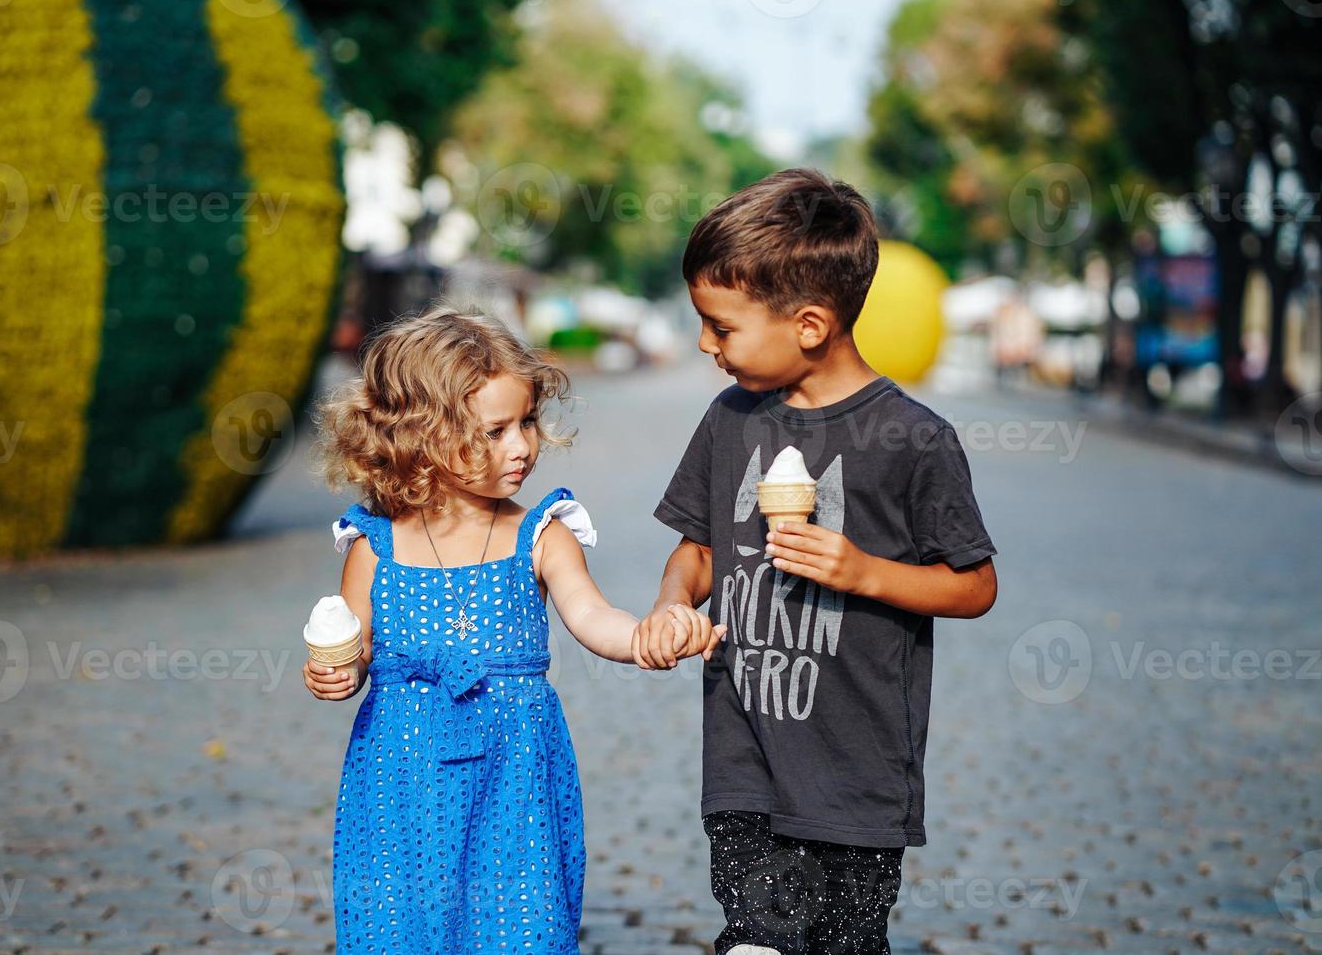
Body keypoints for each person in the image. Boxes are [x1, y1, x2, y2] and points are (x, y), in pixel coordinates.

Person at [636, 169, 1000, 955]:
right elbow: (696, 546)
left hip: (858, 777)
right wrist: (674, 601)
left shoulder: (914, 440)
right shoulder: (731, 419)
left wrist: (863, 571)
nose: (705, 344)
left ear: (808, 324)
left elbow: (974, 586)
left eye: (719, 327)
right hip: (746, 762)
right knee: (758, 939)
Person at [304, 307, 725, 954]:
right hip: (398, 773)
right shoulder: (373, 543)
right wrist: (337, 670)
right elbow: (354, 645)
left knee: (518, 922)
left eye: (526, 421)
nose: (522, 445)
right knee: (398, 922)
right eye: (494, 430)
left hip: (514, 770)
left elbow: (592, 616)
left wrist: (646, 636)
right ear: (421, 435)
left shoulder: (542, 533)